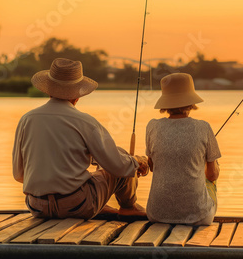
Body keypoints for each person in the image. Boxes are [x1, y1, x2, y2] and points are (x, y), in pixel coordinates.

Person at [13, 58, 149, 219]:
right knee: (122, 157)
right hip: (77, 206)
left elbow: (18, 174)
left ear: (49, 90)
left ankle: (95, 202)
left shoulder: (26, 119)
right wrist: (137, 162)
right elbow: (118, 166)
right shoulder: (85, 122)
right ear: (78, 95)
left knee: (107, 163)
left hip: (37, 207)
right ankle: (129, 207)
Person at [145, 73, 221, 225]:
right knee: (211, 177)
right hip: (199, 217)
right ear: (191, 101)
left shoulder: (152, 126)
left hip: (157, 214)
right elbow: (212, 176)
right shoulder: (203, 127)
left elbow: (152, 167)